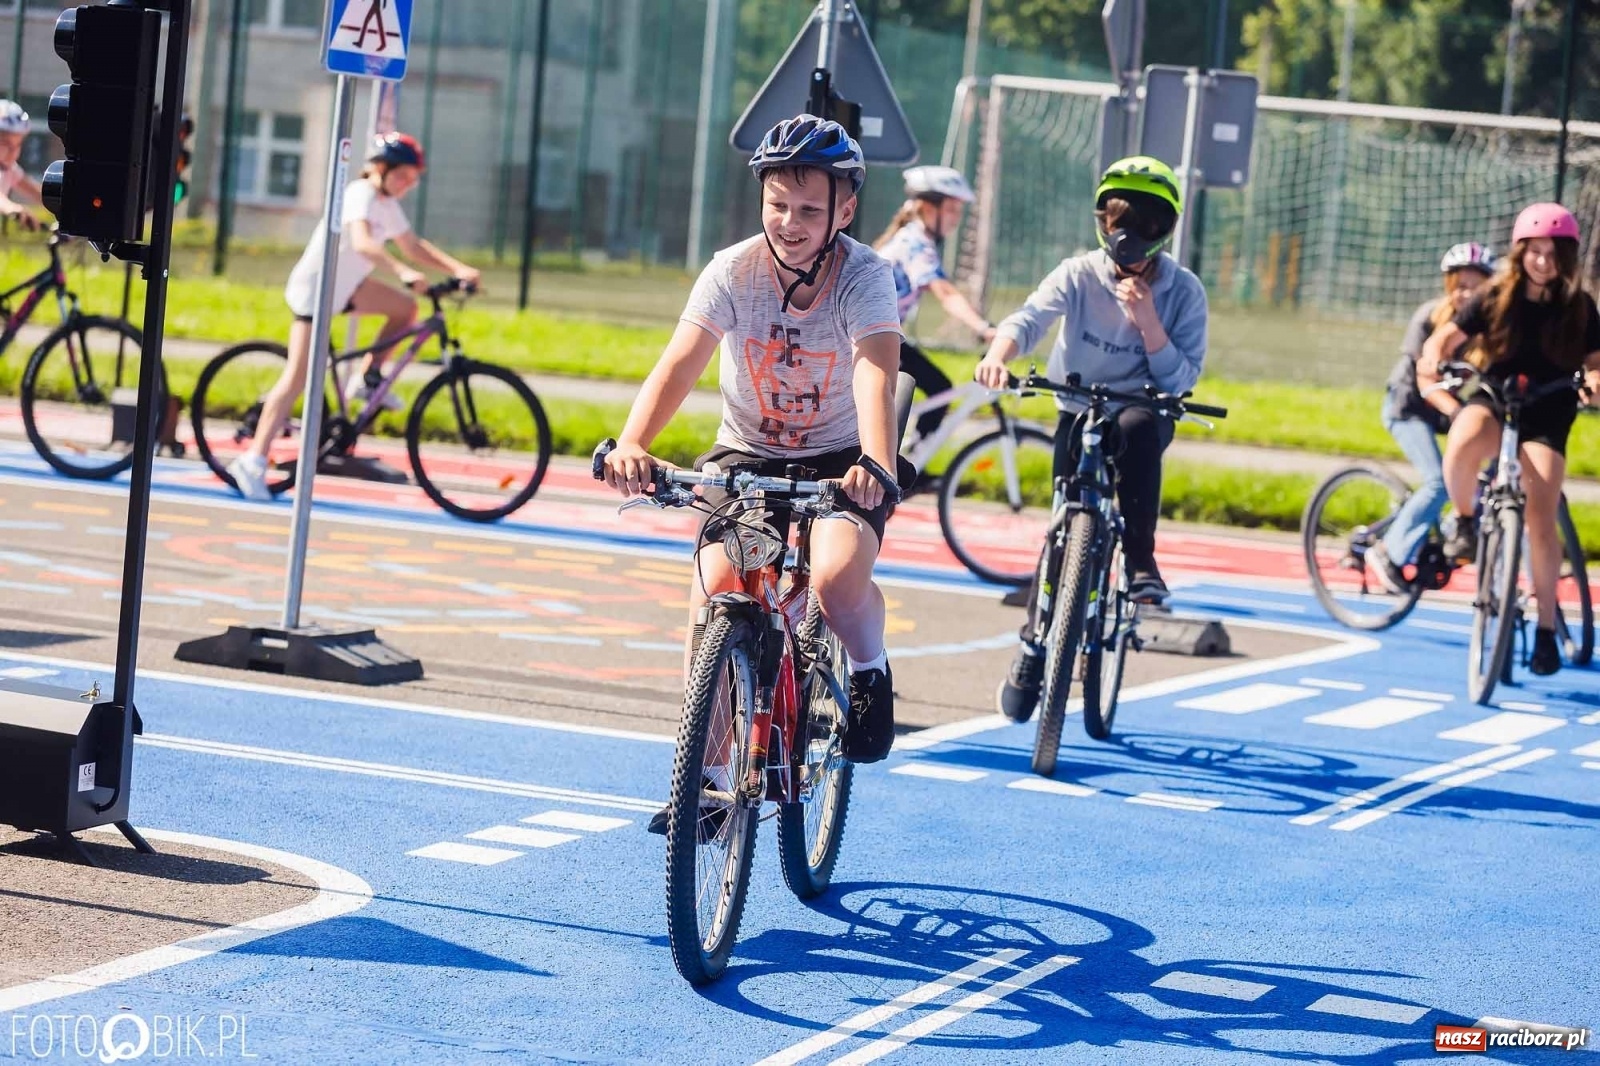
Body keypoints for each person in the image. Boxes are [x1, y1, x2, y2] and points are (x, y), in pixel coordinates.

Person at [600, 114, 905, 830]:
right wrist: (633, 443)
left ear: (845, 210)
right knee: (717, 588)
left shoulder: (865, 276)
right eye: (777, 204)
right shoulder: (732, 269)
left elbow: (874, 371)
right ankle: (704, 776)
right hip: (748, 454)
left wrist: (875, 461)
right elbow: (681, 360)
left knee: (833, 577)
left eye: (808, 209)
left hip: (841, 457)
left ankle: (868, 671)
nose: (790, 223)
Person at [974, 155, 1208, 723]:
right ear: (1102, 223)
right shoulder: (1078, 273)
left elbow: (1182, 378)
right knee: (1064, 523)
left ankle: (1142, 563)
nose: (1126, 237)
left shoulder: (1183, 292)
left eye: (1144, 225)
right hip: (1077, 405)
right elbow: (1029, 318)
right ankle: (1034, 643)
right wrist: (998, 356)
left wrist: (1149, 322)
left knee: (1136, 431)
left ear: (1164, 230)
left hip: (1141, 411)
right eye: (1116, 222)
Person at [226, 132, 480, 500]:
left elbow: (412, 245)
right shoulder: (360, 194)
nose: (409, 184)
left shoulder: (386, 202)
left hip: (345, 287)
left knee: (405, 309)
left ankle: (367, 376)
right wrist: (403, 272)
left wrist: (459, 269)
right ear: (381, 168)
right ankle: (252, 461)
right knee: (298, 378)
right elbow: (363, 243)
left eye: (414, 179)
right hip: (316, 290)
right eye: (404, 176)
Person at [1418, 202, 1600, 677]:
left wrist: (1595, 378)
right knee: (1463, 439)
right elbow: (1446, 339)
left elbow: (1597, 359)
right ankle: (1463, 521)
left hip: (1549, 409)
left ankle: (1544, 629)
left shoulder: (1580, 306)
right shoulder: (1496, 295)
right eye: (1534, 251)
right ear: (1520, 253)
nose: (1543, 261)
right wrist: (1433, 359)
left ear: (1567, 257)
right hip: (1498, 397)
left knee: (1540, 515)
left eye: (1553, 253)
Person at [1367, 242, 1497, 593]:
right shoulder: (1429, 317)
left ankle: (1463, 527)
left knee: (1492, 466)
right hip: (1408, 408)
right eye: (1459, 285)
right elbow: (1424, 378)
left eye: (1475, 285)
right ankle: (1388, 553)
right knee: (1439, 481)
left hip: (1446, 412)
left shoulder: (1485, 329)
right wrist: (1457, 412)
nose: (1465, 293)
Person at [873, 165, 996, 443]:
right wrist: (984, 327)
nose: (956, 219)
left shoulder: (911, 237)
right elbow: (945, 292)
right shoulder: (915, 243)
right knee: (936, 390)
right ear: (928, 207)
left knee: (937, 389)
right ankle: (906, 468)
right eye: (952, 210)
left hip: (887, 336)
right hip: (878, 339)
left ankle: (909, 463)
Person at [0, 101, 42, 232]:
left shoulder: (9, 169)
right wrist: (12, 208)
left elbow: (39, 194)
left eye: (18, 144)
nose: (13, 151)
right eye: (6, 143)